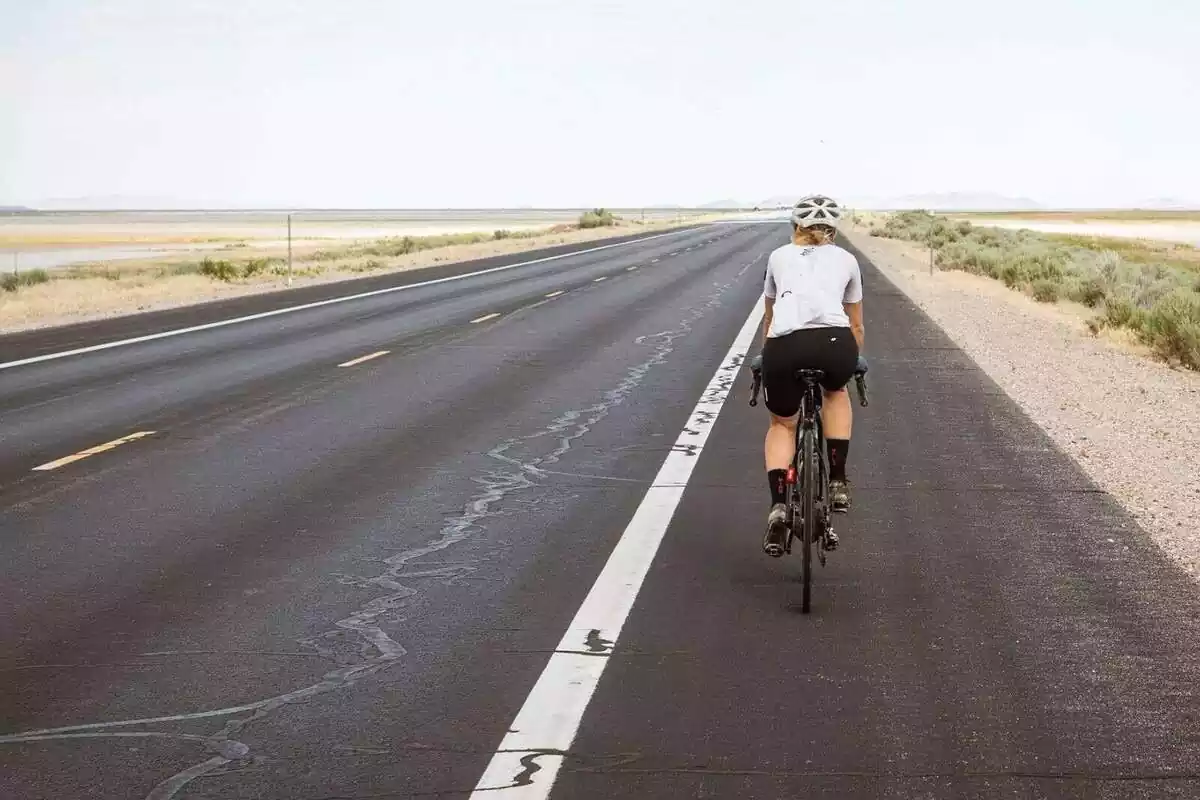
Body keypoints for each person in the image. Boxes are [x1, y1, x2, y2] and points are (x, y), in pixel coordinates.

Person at [752, 194, 866, 557]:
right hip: (835, 342)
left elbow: (770, 318)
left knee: (782, 424)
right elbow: (857, 325)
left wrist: (765, 357)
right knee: (836, 393)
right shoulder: (848, 260)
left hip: (784, 346)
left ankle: (780, 506)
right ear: (833, 229)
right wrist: (854, 359)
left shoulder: (778, 257)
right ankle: (836, 482)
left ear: (795, 227)